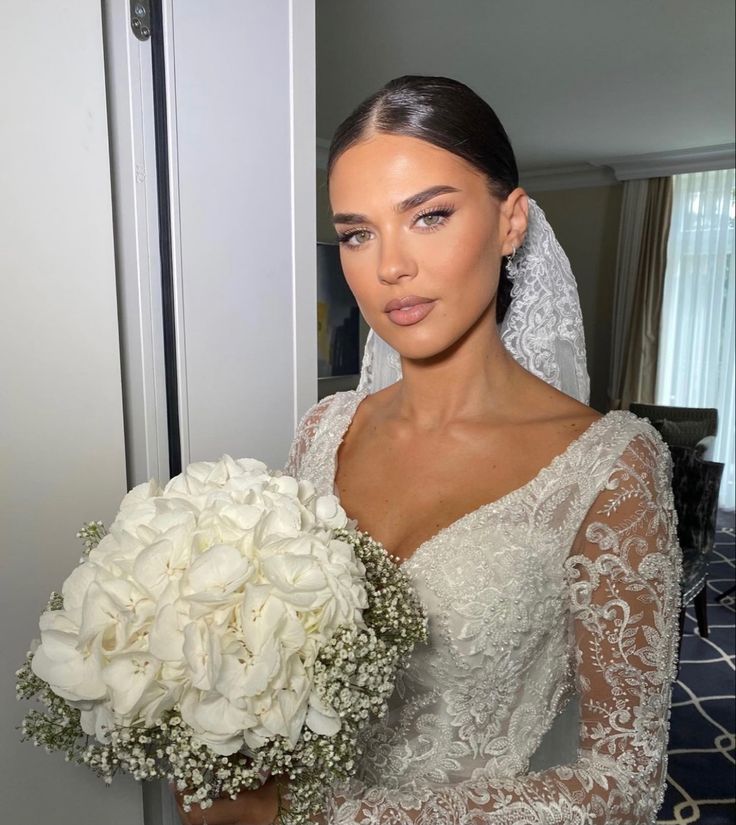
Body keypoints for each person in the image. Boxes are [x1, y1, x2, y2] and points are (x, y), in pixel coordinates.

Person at [175, 75, 682, 825]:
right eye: (357, 233)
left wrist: (325, 816)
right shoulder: (325, 430)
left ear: (511, 222)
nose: (388, 269)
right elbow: (266, 664)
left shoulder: (609, 468)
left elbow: (624, 778)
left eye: (430, 216)